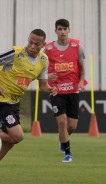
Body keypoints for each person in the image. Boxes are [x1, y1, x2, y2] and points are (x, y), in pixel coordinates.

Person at [0, 29, 57, 182]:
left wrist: (50, 89)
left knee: (10, 142)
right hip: (0, 99)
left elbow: (43, 85)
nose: (31, 46)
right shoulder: (16, 53)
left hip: (13, 103)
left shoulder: (43, 60)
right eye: (30, 42)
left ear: (43, 45)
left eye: (36, 44)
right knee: (17, 136)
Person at [44, 19, 85, 162]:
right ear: (55, 31)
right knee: (62, 122)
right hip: (56, 90)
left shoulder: (77, 47)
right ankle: (68, 153)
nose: (62, 32)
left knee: (71, 126)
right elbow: (40, 68)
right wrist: (47, 76)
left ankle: (62, 138)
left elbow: (81, 67)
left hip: (73, 89)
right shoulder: (48, 49)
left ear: (69, 30)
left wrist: (80, 81)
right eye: (59, 29)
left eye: (64, 29)